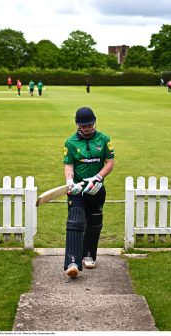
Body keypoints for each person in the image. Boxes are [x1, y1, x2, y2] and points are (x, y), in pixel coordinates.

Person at [62, 107, 115, 277]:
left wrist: (97, 178)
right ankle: (73, 262)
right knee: (75, 222)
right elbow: (69, 166)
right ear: (78, 125)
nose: (87, 128)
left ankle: (89, 255)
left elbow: (109, 162)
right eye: (83, 126)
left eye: (90, 125)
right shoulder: (70, 142)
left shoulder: (104, 139)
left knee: (94, 223)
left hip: (96, 189)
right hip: (77, 190)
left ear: (94, 123)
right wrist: (70, 182)